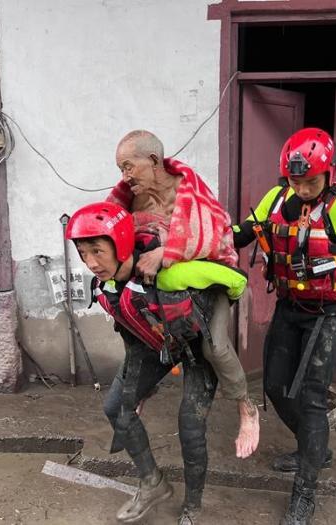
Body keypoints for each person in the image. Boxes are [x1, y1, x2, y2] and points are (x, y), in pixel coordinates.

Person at [232, 128, 336, 525]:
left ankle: (304, 493)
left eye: (311, 182)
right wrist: (201, 239)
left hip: (328, 313)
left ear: (328, 173)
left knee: (312, 398)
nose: (302, 189)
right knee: (274, 386)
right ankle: (315, 449)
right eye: (295, 181)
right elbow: (242, 233)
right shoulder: (276, 198)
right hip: (289, 307)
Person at [66, 202, 245, 525]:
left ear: (121, 245)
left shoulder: (170, 274)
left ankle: (192, 506)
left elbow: (235, 278)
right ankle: (153, 483)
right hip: (158, 346)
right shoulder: (106, 285)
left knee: (190, 427)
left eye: (97, 251)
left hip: (197, 346)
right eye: (83, 253)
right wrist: (139, 389)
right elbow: (129, 328)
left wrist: (223, 313)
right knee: (117, 408)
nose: (91, 263)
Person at [107, 129, 260, 460]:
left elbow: (214, 236)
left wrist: (167, 253)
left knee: (214, 346)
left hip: (208, 282)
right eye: (120, 169)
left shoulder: (189, 189)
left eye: (128, 166)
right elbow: (114, 238)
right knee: (135, 328)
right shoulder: (129, 200)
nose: (124, 176)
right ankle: (142, 390)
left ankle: (246, 406)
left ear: (153, 160)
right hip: (161, 289)